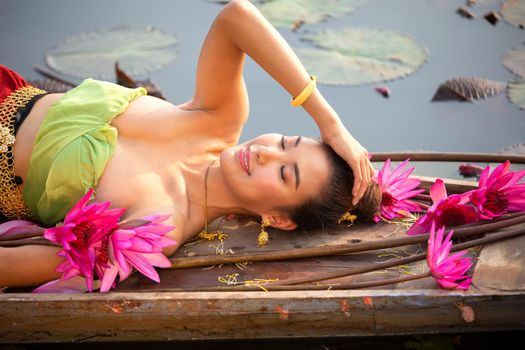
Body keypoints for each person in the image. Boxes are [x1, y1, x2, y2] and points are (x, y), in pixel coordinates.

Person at [0, 0, 378, 288]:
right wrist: (329, 122)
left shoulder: (157, 230)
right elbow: (236, 15)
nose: (266, 151)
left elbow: (36, 263)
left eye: (284, 172)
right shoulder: (219, 118)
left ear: (278, 219)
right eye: (285, 141)